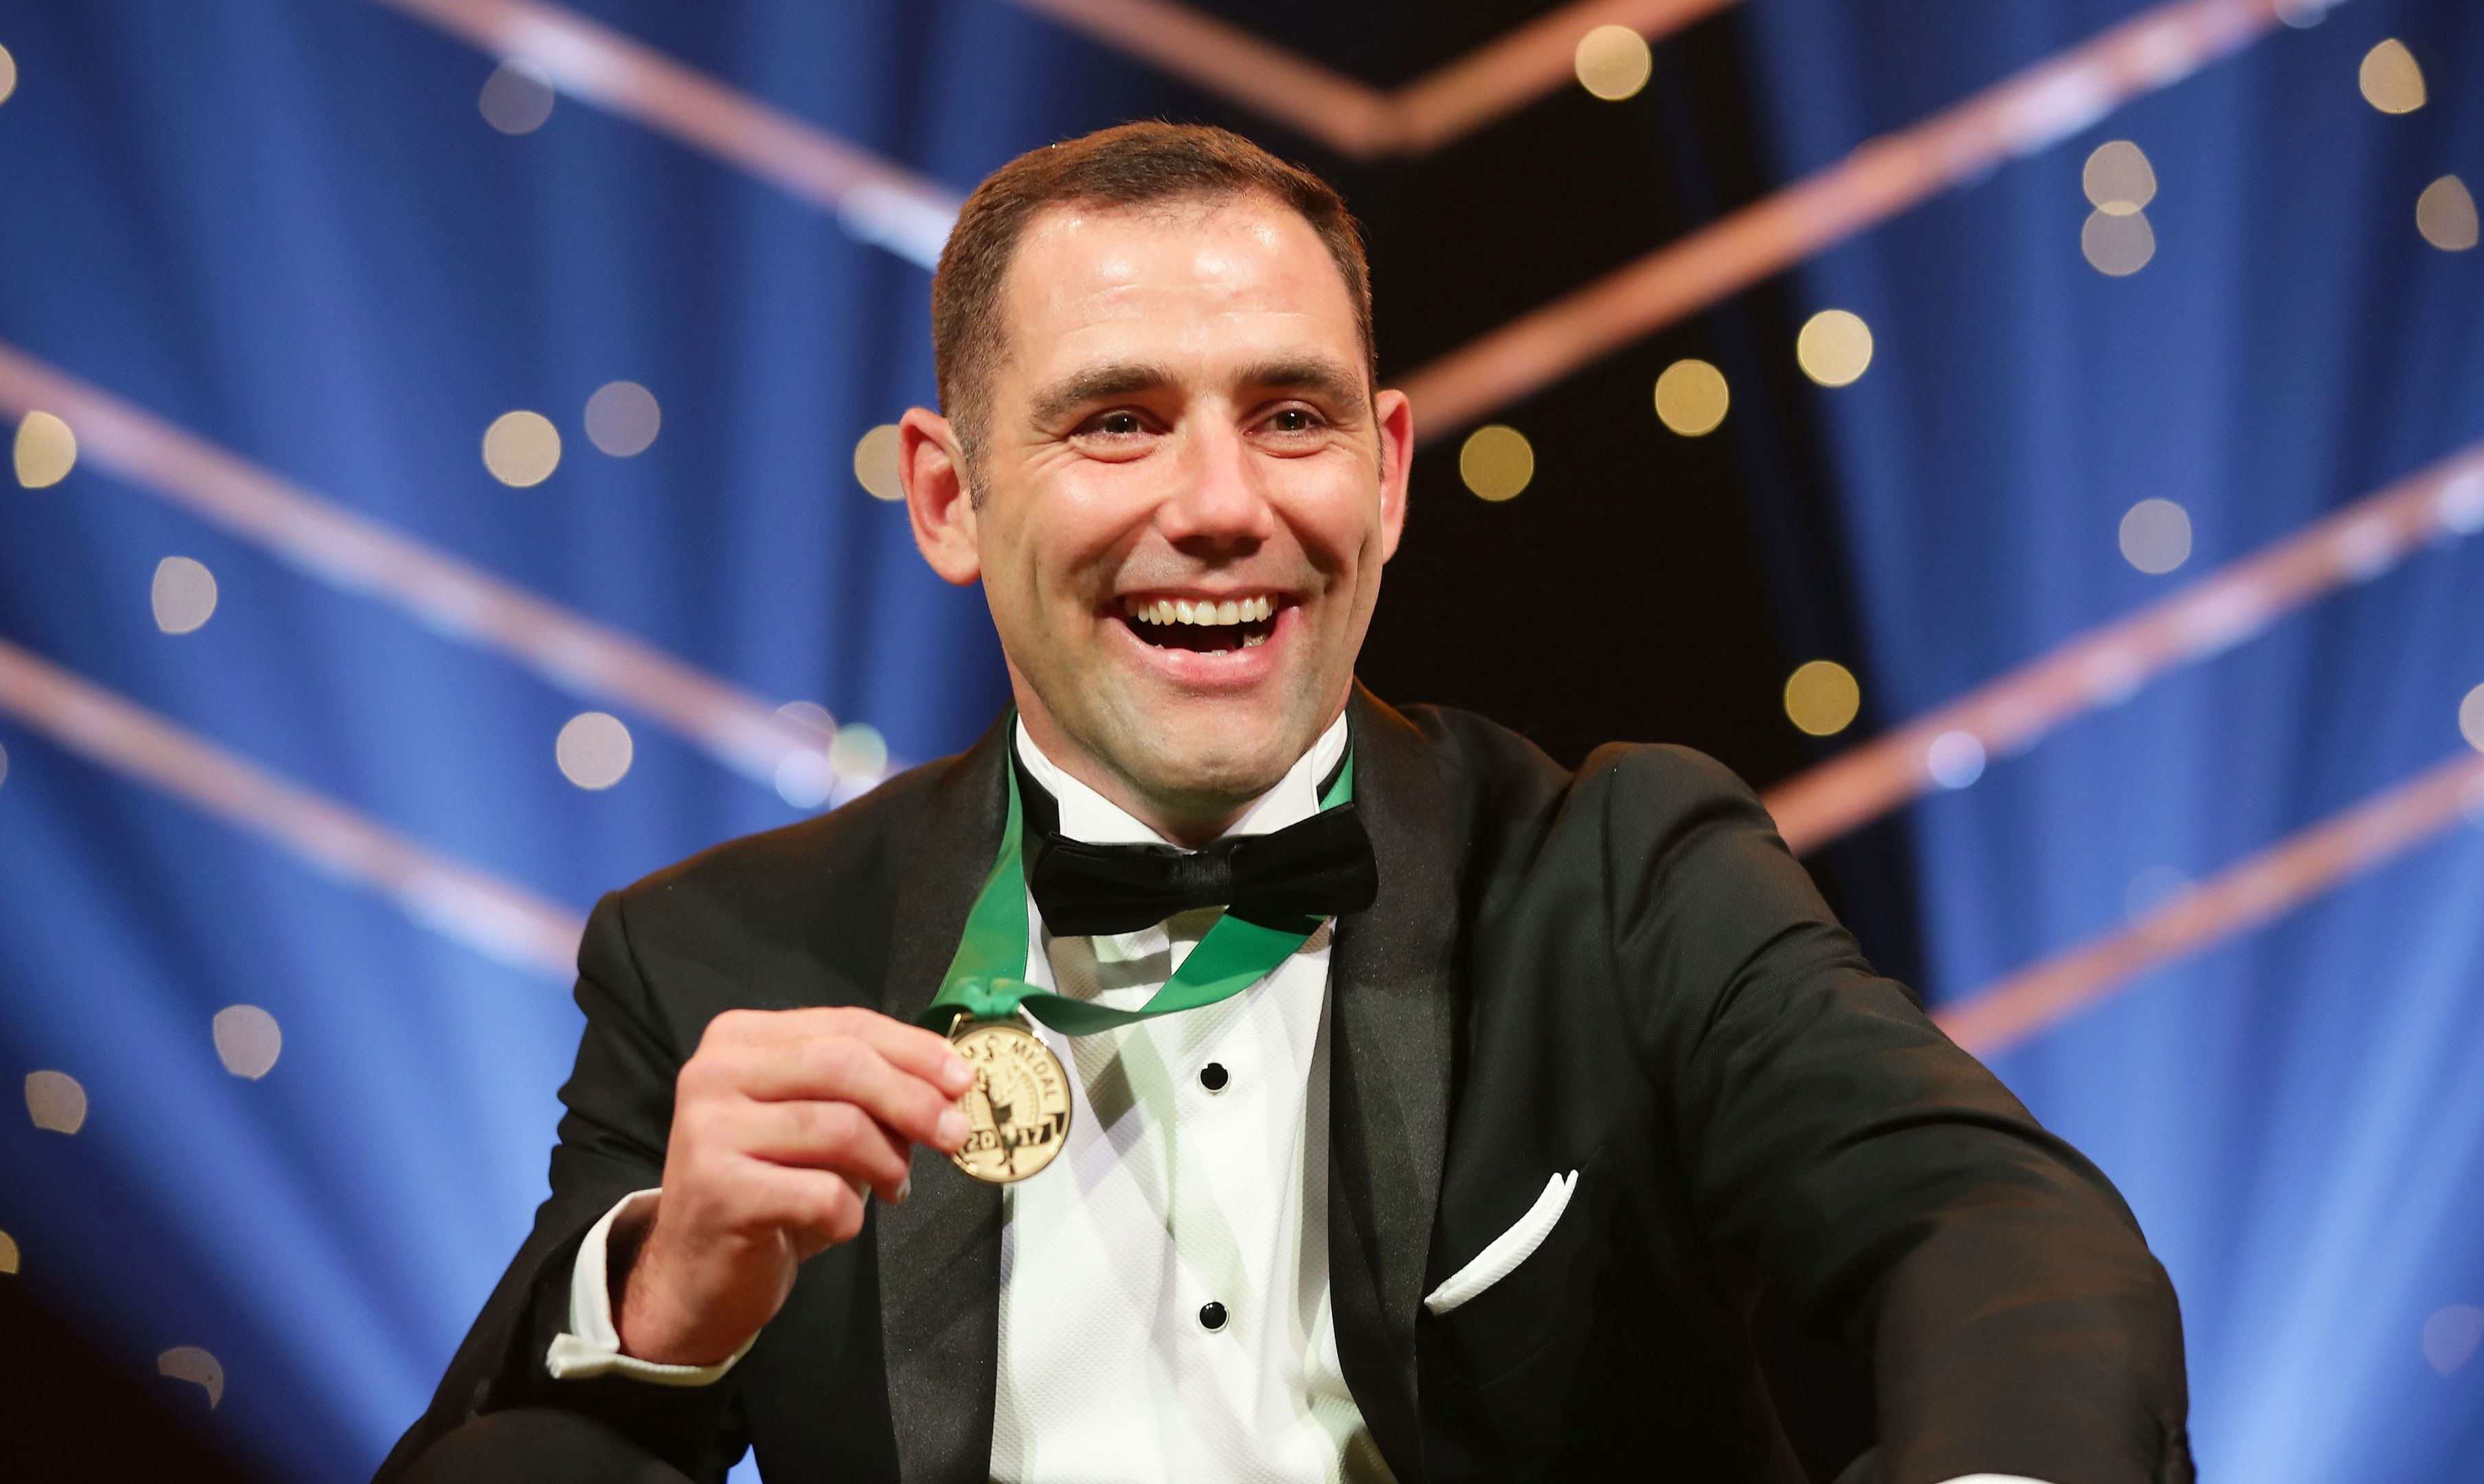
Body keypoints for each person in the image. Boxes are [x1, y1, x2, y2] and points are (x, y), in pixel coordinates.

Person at [378, 122, 2192, 1484]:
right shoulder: (722, 961)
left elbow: (1994, 1233)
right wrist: (666, 1305)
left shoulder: (1618, 877)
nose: (1223, 502)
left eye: (1292, 417)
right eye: (1116, 422)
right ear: (946, 497)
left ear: (1389, 473)